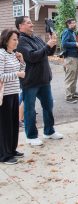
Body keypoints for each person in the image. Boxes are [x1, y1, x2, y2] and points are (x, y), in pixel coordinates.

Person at [15, 16, 63, 146]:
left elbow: (47, 52)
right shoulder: (21, 41)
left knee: (48, 106)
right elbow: (32, 57)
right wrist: (47, 46)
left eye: (31, 22)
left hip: (44, 79)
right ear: (20, 26)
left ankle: (49, 131)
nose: (31, 24)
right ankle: (31, 136)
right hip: (30, 81)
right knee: (29, 109)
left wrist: (52, 43)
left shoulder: (36, 38)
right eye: (28, 22)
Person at [0, 29, 26, 165]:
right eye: (14, 39)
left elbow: (22, 70)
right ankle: (4, 155)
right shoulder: (1, 54)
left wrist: (21, 61)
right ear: (6, 40)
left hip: (15, 92)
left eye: (17, 39)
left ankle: (11, 149)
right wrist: (17, 74)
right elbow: (0, 76)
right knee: (5, 126)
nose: (17, 42)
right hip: (4, 95)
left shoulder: (13, 54)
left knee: (13, 124)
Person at [61, 18, 78, 104]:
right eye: (73, 23)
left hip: (74, 57)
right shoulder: (66, 32)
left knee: (74, 76)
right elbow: (64, 43)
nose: (75, 24)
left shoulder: (72, 32)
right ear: (69, 24)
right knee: (70, 77)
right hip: (70, 58)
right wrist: (75, 44)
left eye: (75, 22)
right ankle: (68, 96)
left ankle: (72, 93)